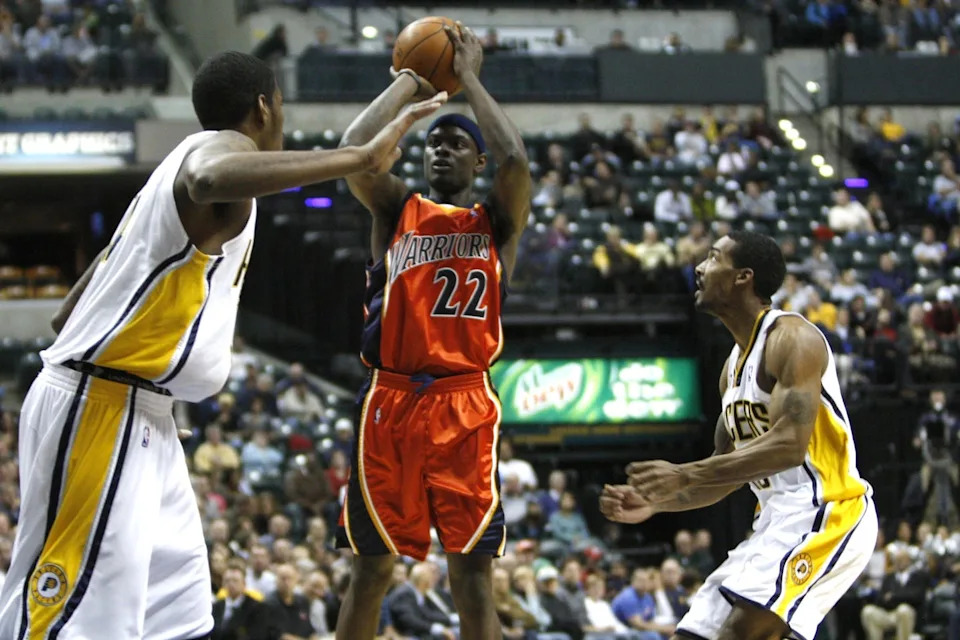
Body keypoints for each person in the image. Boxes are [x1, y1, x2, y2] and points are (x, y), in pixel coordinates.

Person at [0, 50, 443, 640]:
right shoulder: (217, 155)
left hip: (134, 414)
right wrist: (360, 158)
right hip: (102, 410)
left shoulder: (166, 178)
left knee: (176, 613)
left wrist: (146, 391)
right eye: (280, 105)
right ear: (264, 107)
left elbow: (66, 315)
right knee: (67, 616)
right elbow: (211, 177)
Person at [333, 22, 531, 640]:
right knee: (371, 572)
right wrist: (409, 84)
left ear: (477, 161)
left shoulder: (495, 223)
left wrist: (468, 77)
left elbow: (518, 160)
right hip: (390, 400)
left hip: (464, 403)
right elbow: (354, 147)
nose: (439, 150)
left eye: (454, 144)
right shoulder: (397, 211)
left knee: (471, 578)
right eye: (432, 143)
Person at [601, 231, 878, 640]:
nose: (700, 267)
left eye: (713, 259)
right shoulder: (731, 370)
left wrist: (685, 473)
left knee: (741, 633)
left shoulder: (793, 339)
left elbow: (790, 445)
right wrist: (657, 501)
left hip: (829, 511)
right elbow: (723, 473)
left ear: (743, 277)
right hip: (774, 522)